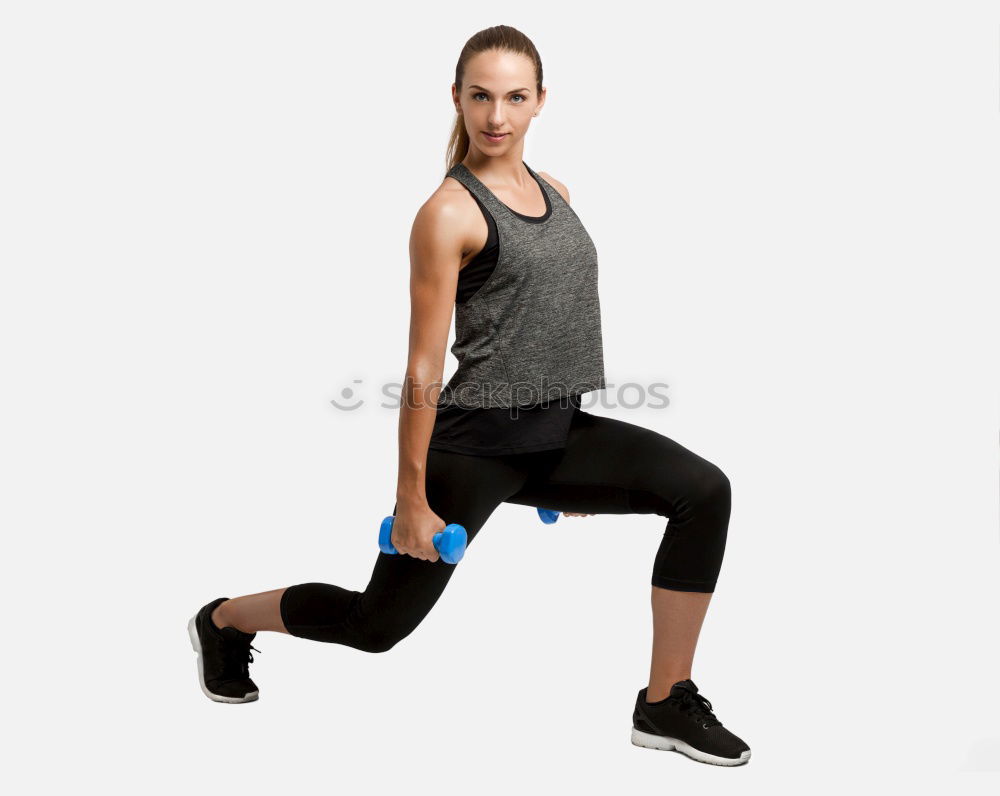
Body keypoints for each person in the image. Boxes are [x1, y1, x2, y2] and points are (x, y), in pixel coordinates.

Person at [187, 25, 751, 767]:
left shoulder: (557, 192)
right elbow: (422, 367)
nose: (497, 116)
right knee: (375, 625)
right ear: (457, 96)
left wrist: (575, 461)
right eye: (481, 96)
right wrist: (411, 499)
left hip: (555, 430)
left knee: (704, 491)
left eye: (516, 97)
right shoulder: (449, 212)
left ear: (541, 100)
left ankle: (664, 702)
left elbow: (547, 316)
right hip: (474, 446)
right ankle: (226, 619)